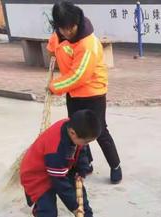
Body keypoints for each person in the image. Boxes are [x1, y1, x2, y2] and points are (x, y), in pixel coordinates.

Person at [20, 110, 112, 217]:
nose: (85, 144)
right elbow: (60, 183)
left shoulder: (76, 130)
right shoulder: (55, 147)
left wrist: (81, 170)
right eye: (85, 141)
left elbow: (82, 150)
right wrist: (74, 207)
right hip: (38, 175)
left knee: (80, 194)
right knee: (47, 211)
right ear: (72, 132)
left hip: (61, 167)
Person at [47, 1, 123, 184]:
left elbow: (79, 75)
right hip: (73, 94)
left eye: (70, 29)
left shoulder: (88, 43)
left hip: (92, 93)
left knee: (99, 130)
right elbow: (54, 44)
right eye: (62, 29)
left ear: (77, 22)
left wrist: (54, 87)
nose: (67, 33)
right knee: (75, 131)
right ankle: (84, 164)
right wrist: (52, 51)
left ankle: (115, 165)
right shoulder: (59, 34)